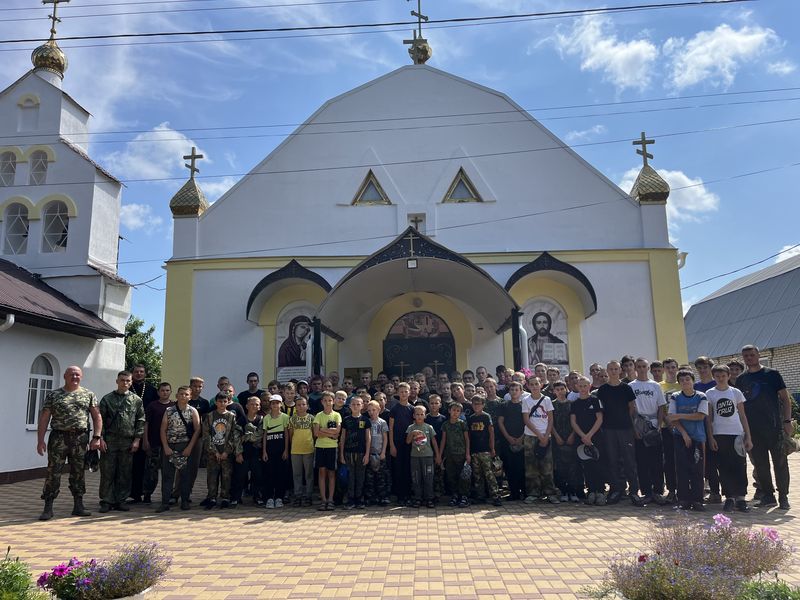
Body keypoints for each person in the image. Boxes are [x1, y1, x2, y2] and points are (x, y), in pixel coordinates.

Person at [36, 366, 102, 521]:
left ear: (81, 377)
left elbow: (97, 417)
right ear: (65, 376)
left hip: (79, 438)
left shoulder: (88, 394)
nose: (75, 377)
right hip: (58, 437)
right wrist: (40, 440)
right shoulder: (54, 395)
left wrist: (97, 437)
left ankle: (78, 506)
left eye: (77, 374)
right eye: (71, 374)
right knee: (53, 472)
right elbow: (44, 418)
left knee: (78, 472)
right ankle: (48, 507)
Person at [737, 345, 793, 510]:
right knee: (761, 465)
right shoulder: (741, 379)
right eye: (746, 356)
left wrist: (787, 421)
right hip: (753, 430)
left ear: (758, 355)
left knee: (780, 463)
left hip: (774, 427)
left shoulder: (772, 374)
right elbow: (739, 406)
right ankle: (768, 496)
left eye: (752, 354)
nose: (749, 358)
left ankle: (783, 496)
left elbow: (785, 399)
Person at [706, 364, 752, 512]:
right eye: (717, 376)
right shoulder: (710, 393)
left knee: (739, 466)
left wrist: (748, 436)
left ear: (728, 376)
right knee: (724, 467)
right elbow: (709, 418)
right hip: (719, 434)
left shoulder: (735, 392)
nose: (721, 379)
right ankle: (729, 497)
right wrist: (711, 437)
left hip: (737, 434)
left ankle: (741, 498)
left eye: (723, 376)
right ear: (714, 377)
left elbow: (743, 415)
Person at [596, 361, 643, 506]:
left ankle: (634, 492)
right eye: (611, 369)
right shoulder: (602, 389)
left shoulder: (626, 388)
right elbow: (601, 409)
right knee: (612, 460)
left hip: (625, 429)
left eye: (616, 369)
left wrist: (629, 424)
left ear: (620, 370)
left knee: (629, 461)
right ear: (607, 371)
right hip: (608, 429)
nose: (613, 371)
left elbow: (631, 407)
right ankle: (617, 490)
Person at [98, 371, 145, 513]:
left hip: (127, 441)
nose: (125, 383)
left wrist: (137, 440)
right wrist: (100, 438)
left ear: (131, 382)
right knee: (107, 472)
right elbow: (100, 420)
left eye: (128, 381)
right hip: (110, 441)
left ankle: (121, 500)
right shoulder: (107, 399)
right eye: (122, 380)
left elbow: (140, 420)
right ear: (117, 381)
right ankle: (106, 501)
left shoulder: (136, 400)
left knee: (124, 472)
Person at [667, 370, 709, 512]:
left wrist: (679, 415)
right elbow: (672, 418)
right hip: (680, 436)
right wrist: (684, 433)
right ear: (679, 383)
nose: (685, 382)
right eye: (682, 380)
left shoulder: (701, 396)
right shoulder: (675, 396)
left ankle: (697, 500)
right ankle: (683, 500)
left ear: (693, 380)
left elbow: (700, 416)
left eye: (687, 379)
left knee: (697, 469)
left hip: (698, 437)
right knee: (682, 469)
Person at [629, 358, 667, 505]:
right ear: (635, 368)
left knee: (656, 461)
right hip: (639, 425)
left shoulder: (655, 386)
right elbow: (630, 409)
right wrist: (634, 428)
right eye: (638, 366)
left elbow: (661, 406)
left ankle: (657, 491)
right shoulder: (631, 386)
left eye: (644, 366)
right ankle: (646, 492)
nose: (641, 369)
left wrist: (659, 426)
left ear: (648, 368)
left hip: (653, 425)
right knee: (642, 462)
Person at [156, 385, 200, 512]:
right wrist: (165, 447)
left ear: (190, 397)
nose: (183, 396)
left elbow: (197, 430)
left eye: (186, 394)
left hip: (185, 445)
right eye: (181, 394)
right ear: (176, 395)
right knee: (167, 475)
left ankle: (185, 501)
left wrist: (190, 448)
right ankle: (165, 502)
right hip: (170, 446)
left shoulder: (193, 411)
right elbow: (163, 429)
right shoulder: (169, 410)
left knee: (185, 476)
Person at [521, 376, 559, 504]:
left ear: (541, 385)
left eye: (536, 384)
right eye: (531, 384)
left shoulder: (546, 400)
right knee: (531, 466)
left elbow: (551, 419)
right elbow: (526, 419)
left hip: (546, 436)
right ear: (528, 386)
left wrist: (546, 436)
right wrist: (538, 435)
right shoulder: (526, 400)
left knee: (547, 466)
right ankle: (533, 492)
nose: (534, 386)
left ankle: (550, 492)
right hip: (530, 436)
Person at [201, 393, 242, 509]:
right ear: (216, 402)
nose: (222, 404)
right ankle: (212, 497)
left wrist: (226, 451)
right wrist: (214, 451)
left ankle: (225, 497)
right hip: (212, 453)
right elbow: (206, 435)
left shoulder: (231, 416)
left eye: (225, 401)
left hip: (226, 453)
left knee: (226, 476)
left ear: (228, 402)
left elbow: (234, 435)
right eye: (220, 401)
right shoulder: (210, 416)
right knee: (212, 476)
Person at [570, 376, 605, 505]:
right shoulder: (574, 403)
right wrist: (583, 436)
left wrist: (589, 435)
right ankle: (591, 491)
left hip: (596, 437)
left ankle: (600, 492)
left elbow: (599, 419)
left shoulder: (595, 400)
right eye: (580, 386)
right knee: (587, 466)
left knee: (598, 464)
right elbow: (573, 422)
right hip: (581, 439)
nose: (583, 388)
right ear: (577, 387)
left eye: (585, 386)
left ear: (589, 386)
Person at [127, 364, 159, 504]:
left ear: (145, 374)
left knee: (148, 466)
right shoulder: (127, 388)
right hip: (130, 431)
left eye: (141, 372)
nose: (139, 374)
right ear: (132, 373)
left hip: (148, 432)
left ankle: (147, 493)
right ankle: (133, 494)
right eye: (136, 372)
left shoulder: (152, 390)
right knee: (132, 465)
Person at [467, 396, 502, 506]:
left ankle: (496, 496)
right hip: (475, 450)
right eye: (474, 404)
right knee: (477, 475)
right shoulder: (471, 418)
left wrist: (492, 448)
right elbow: (469, 436)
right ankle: (480, 496)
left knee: (489, 474)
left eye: (478, 404)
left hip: (485, 450)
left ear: (483, 405)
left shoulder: (486, 417)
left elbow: (491, 433)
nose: (476, 406)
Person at [143, 382, 173, 504]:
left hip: (169, 444)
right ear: (158, 392)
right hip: (154, 442)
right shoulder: (152, 406)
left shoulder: (174, 406)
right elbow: (146, 424)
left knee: (168, 471)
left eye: (167, 390)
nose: (165, 392)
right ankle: (147, 494)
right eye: (162, 390)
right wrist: (145, 440)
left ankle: (167, 495)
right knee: (151, 471)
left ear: (170, 392)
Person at [551, 381, 580, 502]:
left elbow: (576, 422)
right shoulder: (551, 404)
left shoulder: (572, 404)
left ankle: (572, 491)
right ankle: (563, 491)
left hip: (571, 438)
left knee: (573, 466)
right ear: (554, 391)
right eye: (557, 389)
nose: (560, 391)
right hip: (557, 439)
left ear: (566, 389)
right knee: (560, 467)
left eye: (562, 389)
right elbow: (550, 423)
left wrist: (573, 435)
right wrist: (556, 436)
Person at [498, 381, 526, 501]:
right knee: (510, 467)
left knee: (522, 467)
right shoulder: (504, 405)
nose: (514, 392)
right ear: (509, 391)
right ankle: (514, 493)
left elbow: (528, 423)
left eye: (516, 390)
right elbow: (500, 422)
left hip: (522, 440)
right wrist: (508, 437)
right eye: (512, 390)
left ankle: (524, 492)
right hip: (507, 440)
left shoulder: (524, 405)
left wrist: (521, 438)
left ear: (521, 391)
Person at [405, 405, 439, 508]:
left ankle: (429, 498)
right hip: (415, 457)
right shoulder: (411, 427)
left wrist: (437, 455)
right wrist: (412, 433)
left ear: (425, 415)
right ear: (414, 416)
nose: (419, 416)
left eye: (421, 414)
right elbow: (407, 441)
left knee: (428, 477)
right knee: (416, 478)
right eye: (417, 414)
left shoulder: (429, 427)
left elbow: (434, 442)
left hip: (428, 456)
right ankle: (417, 498)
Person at [340, 396, 371, 509]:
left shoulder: (365, 420)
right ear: (349, 406)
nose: (356, 406)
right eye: (353, 404)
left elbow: (368, 438)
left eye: (358, 404)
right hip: (348, 453)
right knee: (350, 477)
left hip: (361, 453)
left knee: (360, 477)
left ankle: (359, 499)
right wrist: (341, 454)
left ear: (362, 406)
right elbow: (343, 437)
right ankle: (351, 499)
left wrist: (367, 454)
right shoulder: (346, 420)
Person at [314, 391, 342, 511]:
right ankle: (323, 500)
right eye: (325, 400)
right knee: (322, 473)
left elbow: (337, 431)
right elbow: (316, 433)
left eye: (330, 400)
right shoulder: (318, 415)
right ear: (322, 402)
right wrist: (330, 433)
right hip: (320, 447)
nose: (327, 403)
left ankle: (330, 499)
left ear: (333, 401)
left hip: (332, 448)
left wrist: (323, 430)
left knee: (331, 473)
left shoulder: (336, 415)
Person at [439, 402, 471, 507]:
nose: (455, 413)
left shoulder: (462, 424)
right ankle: (455, 495)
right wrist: (440, 455)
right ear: (449, 411)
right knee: (451, 476)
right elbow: (443, 440)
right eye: (453, 410)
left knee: (463, 476)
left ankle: (464, 496)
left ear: (460, 413)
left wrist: (467, 454)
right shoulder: (445, 424)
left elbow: (467, 439)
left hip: (461, 454)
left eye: (458, 411)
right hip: (449, 455)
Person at [659, 358, 681, 503]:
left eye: (673, 367)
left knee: (682, 459)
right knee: (669, 460)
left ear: (677, 368)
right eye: (668, 367)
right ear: (664, 369)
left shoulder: (682, 383)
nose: (671, 370)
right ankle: (672, 490)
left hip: (682, 428)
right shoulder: (659, 386)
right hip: (665, 427)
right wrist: (668, 422)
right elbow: (660, 407)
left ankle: (683, 489)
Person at [262, 394, 290, 508]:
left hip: (281, 450)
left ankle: (279, 498)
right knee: (269, 474)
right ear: (270, 405)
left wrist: (286, 450)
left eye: (277, 403)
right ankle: (269, 498)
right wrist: (264, 451)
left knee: (280, 475)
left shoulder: (285, 417)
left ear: (281, 404)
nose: (275, 405)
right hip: (270, 451)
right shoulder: (266, 418)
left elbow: (287, 435)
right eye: (273, 403)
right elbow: (264, 435)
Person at [389, 382, 415, 505]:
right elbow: (391, 428)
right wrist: (392, 445)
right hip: (397, 442)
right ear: (397, 393)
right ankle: (400, 496)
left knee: (408, 468)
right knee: (398, 469)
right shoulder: (394, 409)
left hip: (409, 442)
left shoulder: (412, 409)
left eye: (406, 391)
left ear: (409, 392)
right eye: (401, 392)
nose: (404, 394)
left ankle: (408, 495)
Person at [288, 397, 315, 507]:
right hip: (295, 450)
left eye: (303, 404)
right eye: (298, 405)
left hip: (308, 449)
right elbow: (291, 435)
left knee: (309, 474)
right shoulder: (292, 419)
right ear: (295, 407)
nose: (301, 406)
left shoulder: (311, 418)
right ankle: (298, 495)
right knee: (297, 474)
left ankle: (308, 495)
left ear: (307, 406)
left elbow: (314, 433)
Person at [364, 400, 391, 506]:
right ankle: (371, 497)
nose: (371, 412)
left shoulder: (382, 422)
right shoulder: (366, 422)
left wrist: (383, 452)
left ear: (379, 410)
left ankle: (383, 497)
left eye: (374, 410)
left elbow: (385, 438)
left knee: (381, 477)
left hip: (379, 453)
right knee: (369, 478)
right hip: (369, 453)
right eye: (369, 410)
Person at [239, 396, 264, 506]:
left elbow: (259, 435)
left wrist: (246, 437)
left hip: (256, 453)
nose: (254, 406)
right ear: (247, 406)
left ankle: (257, 496)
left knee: (257, 476)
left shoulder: (261, 419)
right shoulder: (241, 420)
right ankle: (236, 497)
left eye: (257, 404)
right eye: (252, 404)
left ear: (260, 407)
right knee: (240, 476)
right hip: (243, 453)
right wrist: (238, 453)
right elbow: (237, 438)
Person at [425, 395, 446, 500]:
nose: (434, 405)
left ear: (440, 405)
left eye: (436, 403)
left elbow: (444, 438)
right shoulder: (425, 418)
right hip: (427, 450)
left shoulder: (443, 419)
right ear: (428, 405)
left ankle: (438, 494)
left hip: (440, 449)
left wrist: (440, 454)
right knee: (428, 473)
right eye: (432, 403)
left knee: (439, 473)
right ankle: (428, 494)